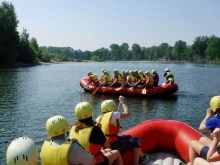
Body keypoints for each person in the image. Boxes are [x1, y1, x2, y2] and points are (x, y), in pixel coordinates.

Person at [96, 96, 155, 165]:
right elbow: (127, 113)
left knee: (128, 137)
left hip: (107, 146)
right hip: (114, 146)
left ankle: (143, 156)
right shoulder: (114, 115)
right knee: (136, 140)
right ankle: (138, 161)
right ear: (112, 107)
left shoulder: (99, 118)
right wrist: (122, 102)